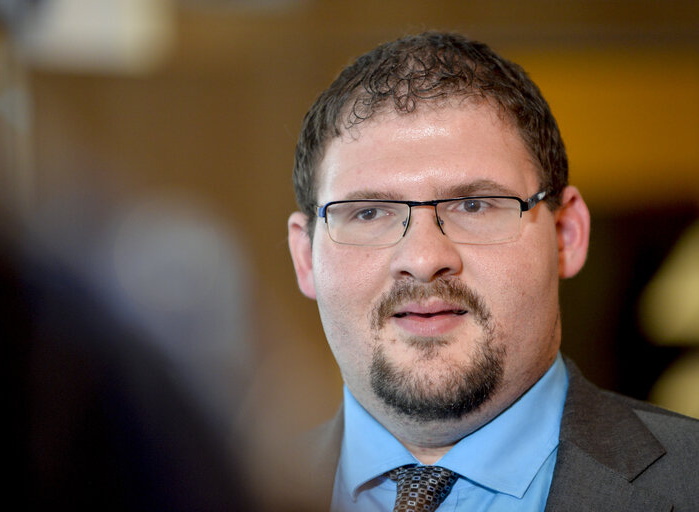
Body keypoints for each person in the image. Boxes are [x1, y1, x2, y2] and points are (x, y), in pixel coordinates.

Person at [286, 31, 699, 511]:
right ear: (304, 256)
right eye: (369, 213)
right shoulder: (215, 491)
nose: (422, 258)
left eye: (474, 204)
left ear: (567, 235)